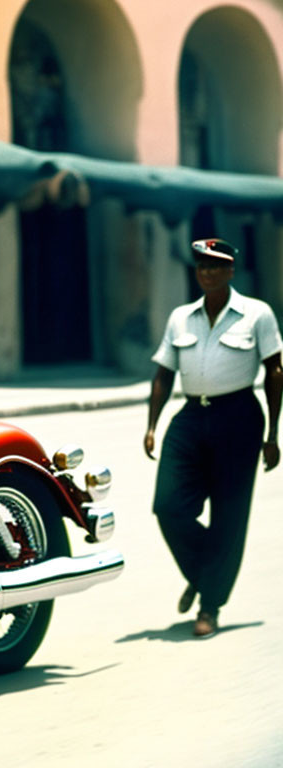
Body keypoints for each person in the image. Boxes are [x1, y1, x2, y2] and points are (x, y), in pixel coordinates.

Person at [144, 237, 283, 638]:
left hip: (238, 417)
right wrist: (152, 426)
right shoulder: (180, 318)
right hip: (190, 416)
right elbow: (163, 374)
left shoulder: (257, 314)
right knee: (168, 506)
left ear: (231, 271)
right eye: (202, 266)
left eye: (216, 266)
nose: (207, 272)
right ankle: (207, 573)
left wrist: (273, 433)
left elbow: (275, 370)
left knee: (228, 517)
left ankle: (210, 606)